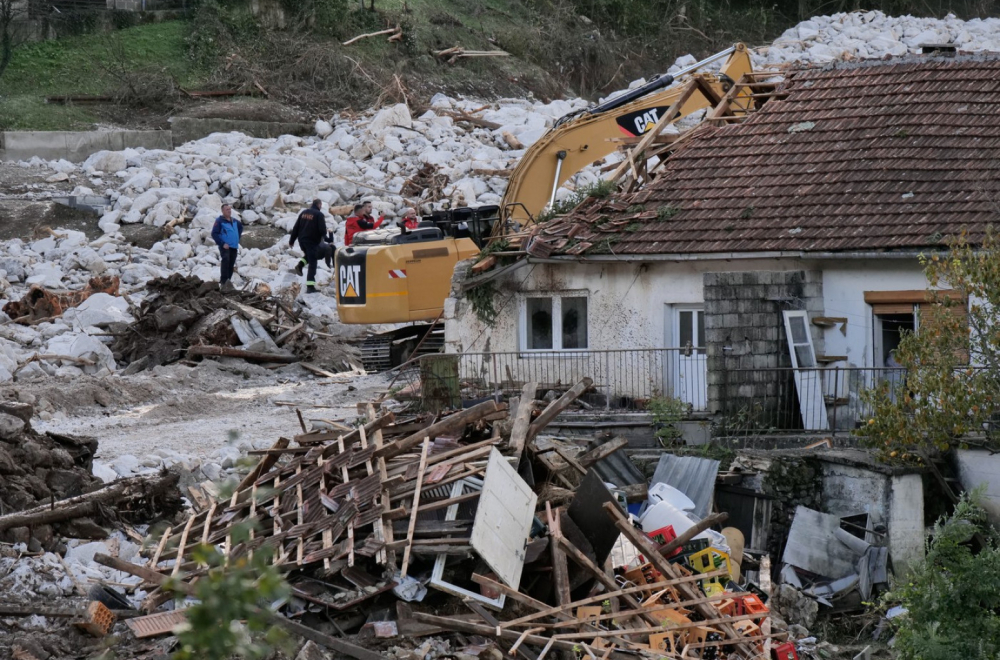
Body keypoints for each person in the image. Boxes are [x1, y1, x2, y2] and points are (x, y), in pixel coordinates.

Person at [289, 199, 327, 294]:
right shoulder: (319, 215)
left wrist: (292, 240)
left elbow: (296, 227)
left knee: (309, 256)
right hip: (312, 241)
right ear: (319, 205)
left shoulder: (304, 213)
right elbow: (322, 229)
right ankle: (310, 286)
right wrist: (326, 238)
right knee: (313, 263)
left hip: (302, 240)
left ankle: (300, 265)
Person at [211, 204, 243, 288]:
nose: (229, 211)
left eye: (229, 209)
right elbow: (214, 233)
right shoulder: (219, 221)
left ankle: (228, 281)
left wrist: (237, 237)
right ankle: (223, 282)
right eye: (227, 209)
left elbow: (241, 228)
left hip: (234, 246)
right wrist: (222, 243)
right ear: (222, 211)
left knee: (231, 264)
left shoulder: (235, 221)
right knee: (226, 261)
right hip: (225, 247)